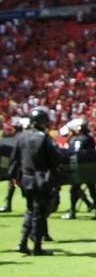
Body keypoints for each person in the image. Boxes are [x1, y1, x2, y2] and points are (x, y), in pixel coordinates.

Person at [8, 107, 60, 255]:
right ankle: (37, 246)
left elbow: (14, 160)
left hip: (25, 179)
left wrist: (14, 177)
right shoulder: (43, 137)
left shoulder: (21, 137)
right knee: (39, 212)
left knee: (30, 210)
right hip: (41, 179)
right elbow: (55, 158)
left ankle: (23, 242)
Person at [61, 119, 96, 220]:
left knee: (74, 190)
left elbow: (71, 153)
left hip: (77, 168)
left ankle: (72, 212)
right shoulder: (90, 139)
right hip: (89, 167)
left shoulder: (73, 140)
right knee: (93, 192)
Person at [0, 116, 22, 213]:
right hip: (9, 162)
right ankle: (8, 204)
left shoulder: (8, 134)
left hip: (8, 162)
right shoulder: (8, 133)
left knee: (16, 183)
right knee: (13, 183)